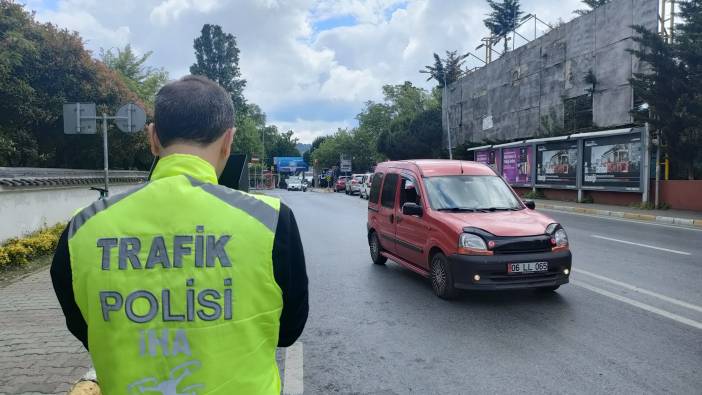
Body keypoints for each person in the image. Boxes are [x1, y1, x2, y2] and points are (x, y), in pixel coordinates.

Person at [51, 75, 308, 394]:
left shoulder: (82, 227)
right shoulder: (272, 220)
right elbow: (288, 332)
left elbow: (86, 328)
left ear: (153, 138)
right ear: (229, 140)